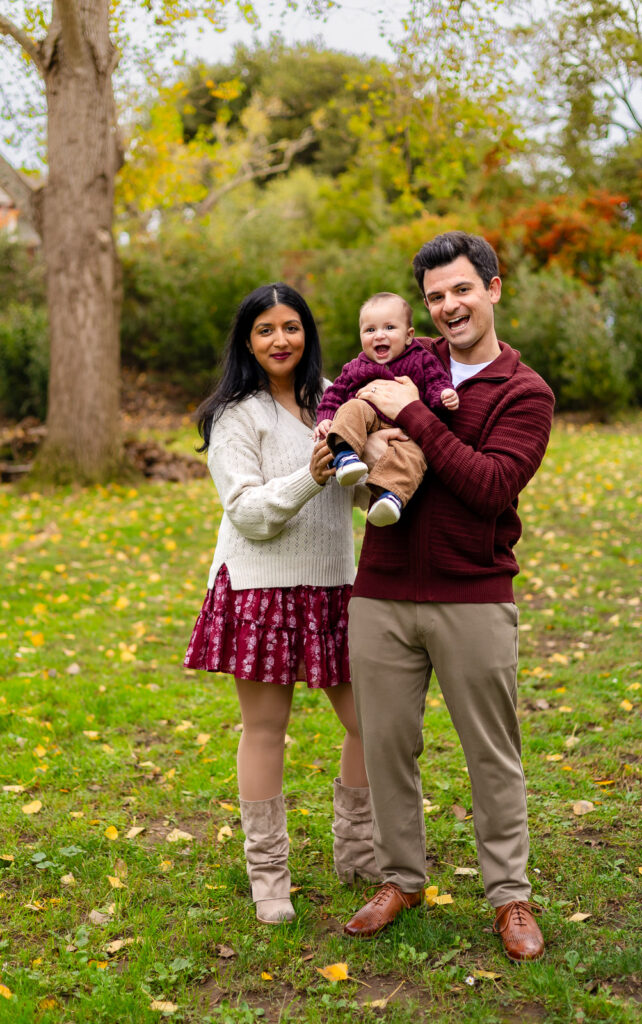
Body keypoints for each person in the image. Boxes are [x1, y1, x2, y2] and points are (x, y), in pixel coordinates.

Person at [342, 232, 555, 962]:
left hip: (473, 594)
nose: (448, 305)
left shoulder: (523, 393)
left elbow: (488, 486)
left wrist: (416, 416)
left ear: (493, 289)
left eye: (461, 289)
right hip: (381, 590)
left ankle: (509, 895)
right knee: (386, 746)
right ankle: (399, 878)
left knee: (491, 753)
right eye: (435, 296)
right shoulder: (399, 365)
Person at [184, 283, 380, 925]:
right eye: (265, 329)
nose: (280, 340)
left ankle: (357, 854)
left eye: (290, 326)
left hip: (333, 586)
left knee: (370, 723)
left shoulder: (332, 402)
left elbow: (356, 495)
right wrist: (313, 474)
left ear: (308, 333)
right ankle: (269, 876)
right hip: (261, 587)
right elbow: (248, 514)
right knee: (268, 730)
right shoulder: (234, 416)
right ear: (247, 341)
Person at [314, 292, 459, 526]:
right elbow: (334, 394)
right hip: (367, 418)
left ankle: (391, 497)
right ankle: (344, 455)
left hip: (404, 431)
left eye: (390, 327)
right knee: (352, 408)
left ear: (409, 335)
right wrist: (325, 417)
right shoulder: (356, 366)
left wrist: (444, 395)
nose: (379, 335)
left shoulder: (421, 359)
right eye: (370, 330)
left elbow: (435, 382)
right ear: (361, 336)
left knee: (415, 456)